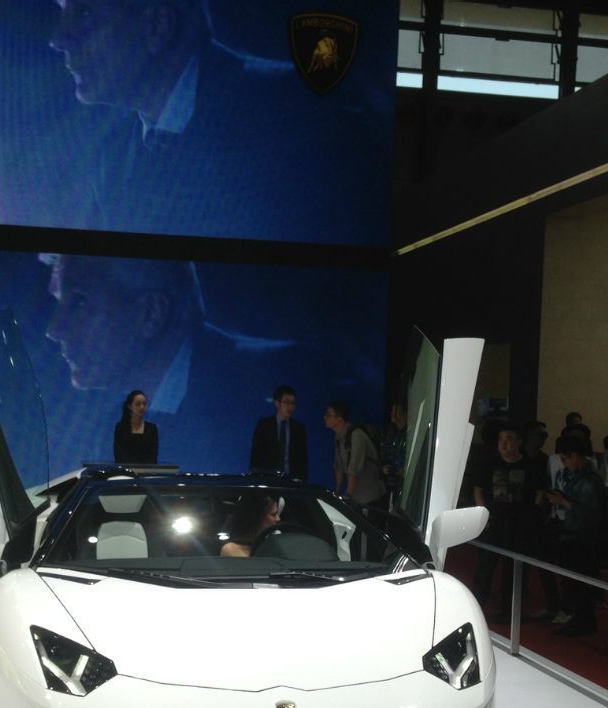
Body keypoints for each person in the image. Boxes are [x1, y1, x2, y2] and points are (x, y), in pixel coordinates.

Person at [47, 0, 389, 243]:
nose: (58, 39)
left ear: (157, 25)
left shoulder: (294, 110)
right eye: (63, 11)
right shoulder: (112, 161)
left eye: (84, 12)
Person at [42, 253, 332, 472]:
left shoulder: (283, 375)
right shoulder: (112, 429)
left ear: (152, 313)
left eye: (79, 301)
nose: (54, 329)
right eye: (57, 301)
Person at [472, 423, 545, 620]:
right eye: (501, 439)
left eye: (509, 439)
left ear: (519, 442)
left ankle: (511, 609)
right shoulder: (490, 463)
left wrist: (532, 516)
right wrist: (484, 514)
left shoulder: (530, 465)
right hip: (494, 521)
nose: (504, 444)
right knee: (486, 564)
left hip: (520, 523)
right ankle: (476, 605)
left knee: (515, 567)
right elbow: (478, 490)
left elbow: (539, 492)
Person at [546, 434, 604, 636]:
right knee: (576, 582)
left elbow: (587, 512)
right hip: (576, 535)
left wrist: (563, 502)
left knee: (578, 582)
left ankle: (582, 621)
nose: (564, 463)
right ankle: (581, 619)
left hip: (579, 537)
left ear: (575, 456)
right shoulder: (583, 477)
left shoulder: (587, 481)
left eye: (565, 458)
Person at [324, 401, 385, 507]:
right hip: (356, 497)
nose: (325, 417)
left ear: (340, 418)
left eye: (329, 415)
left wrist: (348, 495)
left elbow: (355, 468)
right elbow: (339, 467)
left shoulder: (356, 435)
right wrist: (337, 492)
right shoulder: (338, 438)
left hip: (369, 497)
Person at [249, 385, 308, 481]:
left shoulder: (299, 428)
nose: (290, 407)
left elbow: (303, 460)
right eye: (286, 402)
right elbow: (255, 455)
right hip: (267, 478)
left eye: (293, 403)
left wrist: (302, 481)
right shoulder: (264, 425)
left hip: (292, 480)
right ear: (277, 404)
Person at [113, 390, 159, 464]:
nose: (142, 407)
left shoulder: (152, 428)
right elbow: (118, 455)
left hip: (147, 470)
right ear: (130, 406)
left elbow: (153, 456)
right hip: (126, 469)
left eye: (144, 404)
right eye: (138, 404)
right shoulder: (121, 427)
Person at [380, 397, 408, 510]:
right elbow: (384, 455)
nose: (393, 413)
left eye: (396, 410)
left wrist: (402, 471)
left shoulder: (409, 434)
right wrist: (384, 467)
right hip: (391, 485)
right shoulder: (391, 433)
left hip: (405, 485)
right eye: (392, 410)